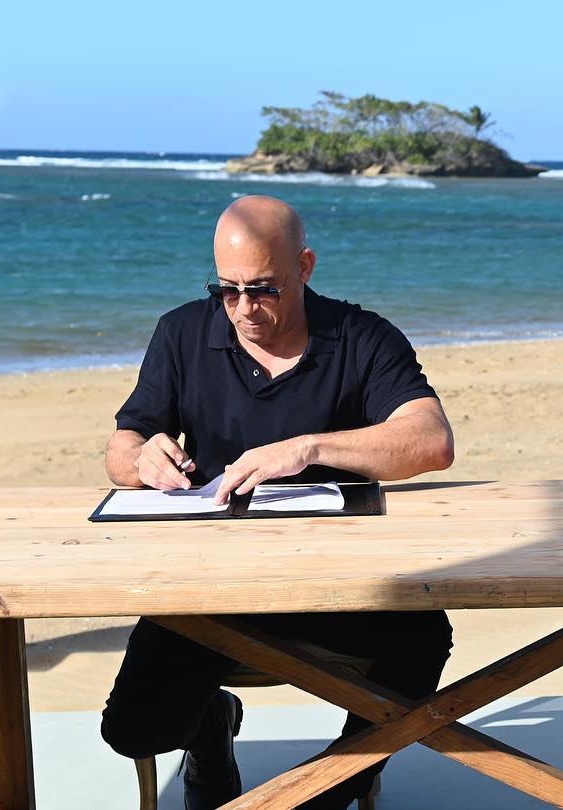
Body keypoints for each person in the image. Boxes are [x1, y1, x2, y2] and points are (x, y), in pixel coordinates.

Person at [100, 195, 455, 809]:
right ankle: (213, 725)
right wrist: (141, 460)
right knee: (132, 732)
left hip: (341, 586)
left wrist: (310, 446)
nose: (244, 309)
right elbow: (122, 445)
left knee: (424, 638)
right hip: (210, 591)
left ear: (305, 267)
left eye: (263, 289)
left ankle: (329, 787)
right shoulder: (181, 332)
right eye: (227, 290)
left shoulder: (361, 336)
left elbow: (432, 441)